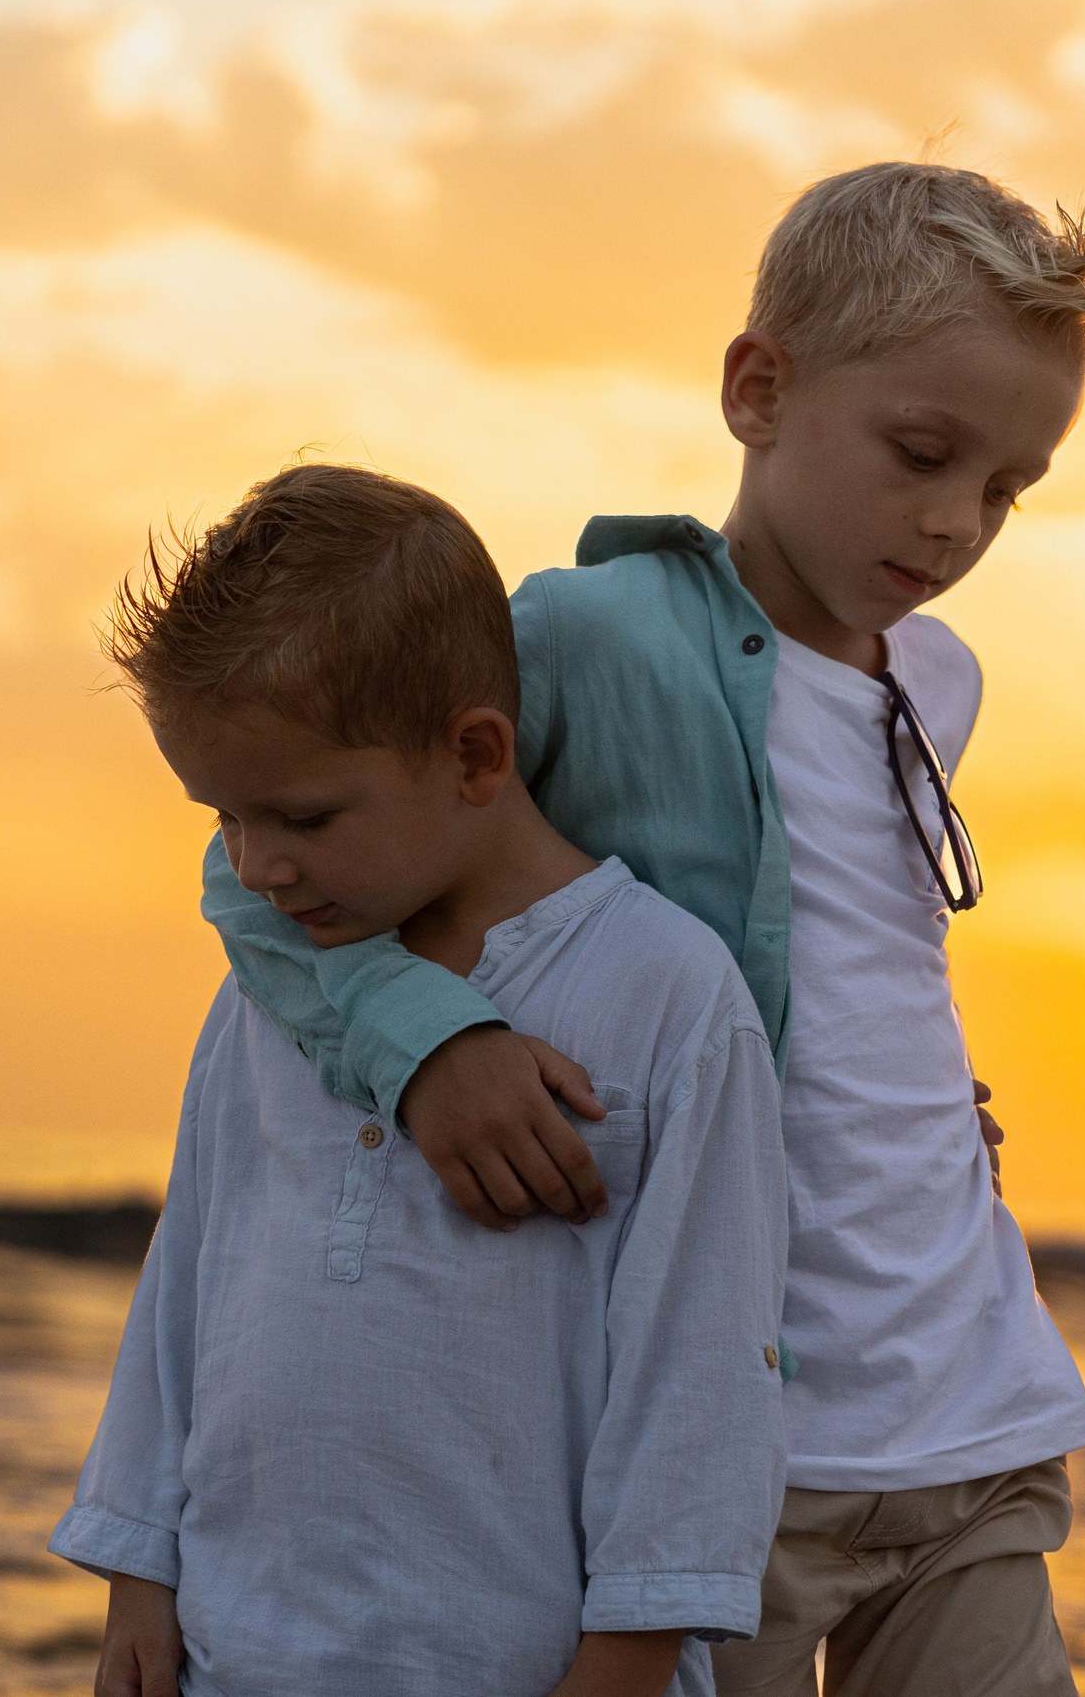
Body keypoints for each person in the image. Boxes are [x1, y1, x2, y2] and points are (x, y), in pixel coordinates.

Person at [201, 162, 1085, 1695]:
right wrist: (425, 1043)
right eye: (922, 454)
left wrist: (911, 1101)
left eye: (1006, 487)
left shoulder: (942, 681)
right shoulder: (588, 636)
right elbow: (261, 864)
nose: (957, 522)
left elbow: (845, 945)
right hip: (729, 1444)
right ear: (758, 391)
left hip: (969, 1409)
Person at [49, 465, 792, 1697]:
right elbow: (190, 1271)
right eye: (223, 817)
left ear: (475, 755)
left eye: (302, 817)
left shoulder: (666, 991)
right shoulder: (272, 988)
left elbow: (702, 1372)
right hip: (240, 1656)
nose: (256, 867)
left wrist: (627, 1664)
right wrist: (140, 1565)